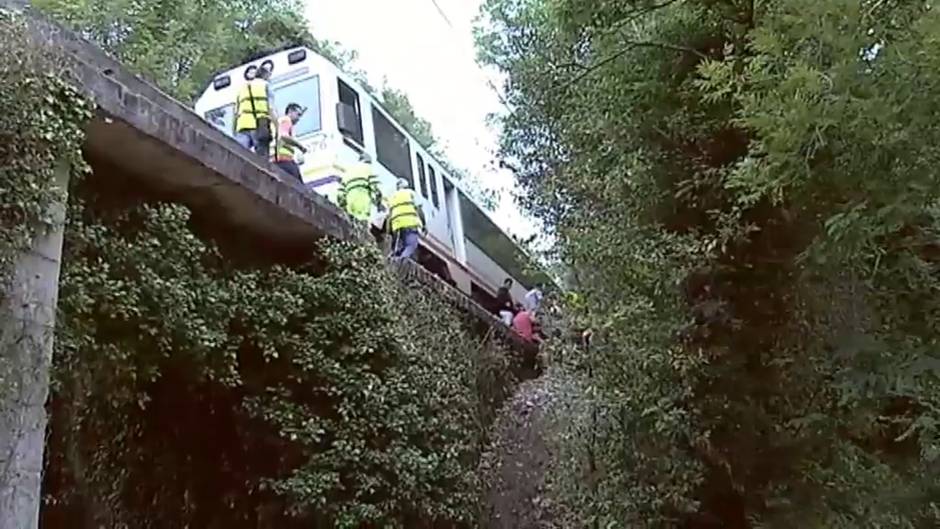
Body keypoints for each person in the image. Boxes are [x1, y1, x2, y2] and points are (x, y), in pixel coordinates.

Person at [234, 64, 276, 157]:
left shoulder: (242, 88)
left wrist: (234, 132)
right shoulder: (265, 85)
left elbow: (236, 113)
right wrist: (277, 127)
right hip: (259, 125)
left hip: (242, 126)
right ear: (265, 75)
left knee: (242, 156)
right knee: (262, 160)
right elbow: (271, 109)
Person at [386, 178, 426, 260]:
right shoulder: (410, 193)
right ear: (406, 186)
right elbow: (419, 210)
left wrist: (388, 230)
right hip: (410, 224)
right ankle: (401, 260)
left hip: (397, 226)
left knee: (397, 248)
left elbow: (389, 216)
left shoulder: (393, 197)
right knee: (411, 245)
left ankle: (393, 259)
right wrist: (424, 224)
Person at [338, 152, 383, 221]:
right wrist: (378, 201)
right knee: (361, 222)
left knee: (351, 222)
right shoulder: (368, 168)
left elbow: (340, 193)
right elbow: (375, 186)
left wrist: (342, 204)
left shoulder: (349, 171)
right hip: (362, 199)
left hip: (350, 199)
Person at [273, 103, 307, 181]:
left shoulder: (279, 122)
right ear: (291, 111)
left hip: (277, 160)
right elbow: (283, 136)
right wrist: (300, 146)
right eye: (298, 114)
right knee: (299, 186)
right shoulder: (286, 120)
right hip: (284, 160)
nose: (298, 118)